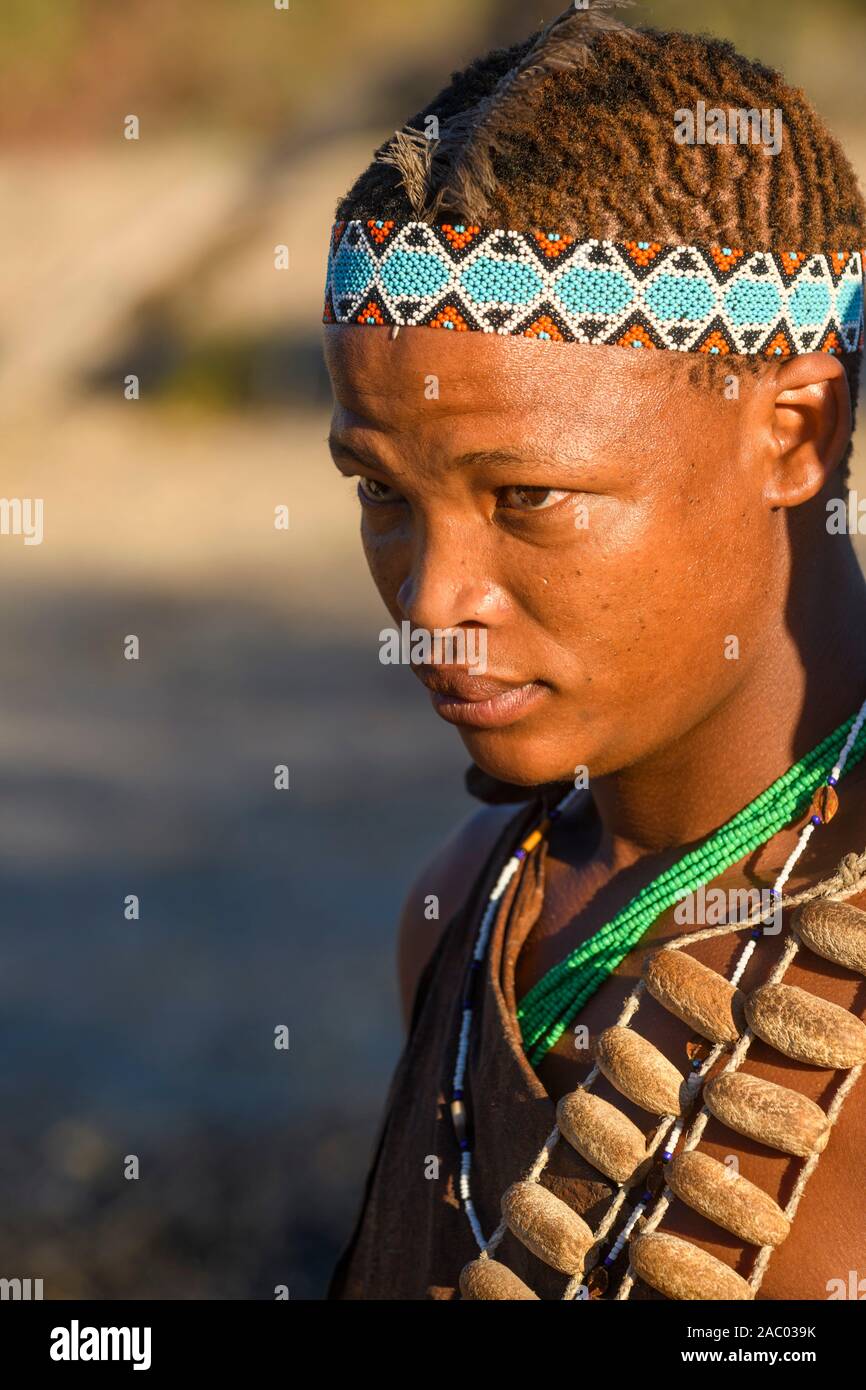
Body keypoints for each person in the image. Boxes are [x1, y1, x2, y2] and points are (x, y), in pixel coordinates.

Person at [322, 3, 866, 1300]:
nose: (435, 597)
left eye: (528, 499)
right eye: (382, 495)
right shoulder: (474, 911)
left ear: (794, 431)